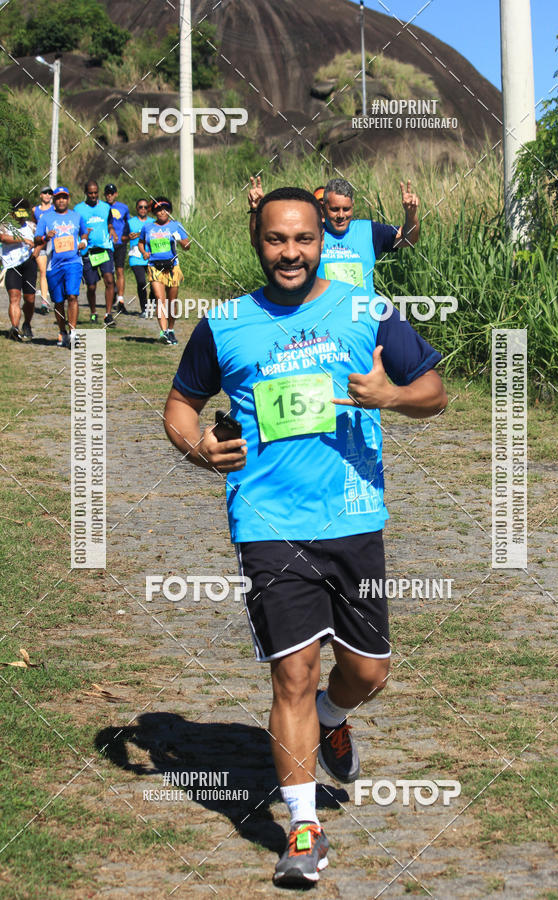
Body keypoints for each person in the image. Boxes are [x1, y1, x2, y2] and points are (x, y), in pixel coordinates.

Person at [163, 187, 446, 887]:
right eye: (275, 239)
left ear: (323, 240)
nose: (289, 252)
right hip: (266, 523)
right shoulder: (225, 323)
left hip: (353, 519)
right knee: (291, 673)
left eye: (302, 239)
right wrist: (198, 448)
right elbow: (179, 406)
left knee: (368, 673)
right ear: (256, 241)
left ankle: (332, 716)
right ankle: (303, 831)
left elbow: (435, 391)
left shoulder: (364, 311)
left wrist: (392, 396)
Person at [248, 176, 420, 295]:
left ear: (353, 206)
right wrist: (256, 210)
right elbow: (259, 243)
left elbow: (408, 239)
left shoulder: (370, 230)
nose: (340, 215)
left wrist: (410, 214)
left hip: (361, 316)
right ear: (323, 208)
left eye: (346, 209)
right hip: (324, 317)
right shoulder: (312, 233)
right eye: (334, 209)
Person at [34, 187, 88, 348]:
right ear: (54, 200)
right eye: (58, 198)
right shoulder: (46, 218)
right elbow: (37, 238)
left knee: (72, 296)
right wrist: (45, 236)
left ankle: (73, 333)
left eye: (64, 197)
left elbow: (84, 233)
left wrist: (83, 243)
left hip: (73, 262)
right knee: (58, 301)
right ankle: (62, 331)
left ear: (68, 199)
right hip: (54, 265)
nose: (61, 200)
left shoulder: (77, 216)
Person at [138, 197, 190, 345]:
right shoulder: (148, 227)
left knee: (171, 302)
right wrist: (144, 253)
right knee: (160, 300)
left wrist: (180, 240)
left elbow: (187, 246)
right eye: (159, 209)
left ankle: (171, 329)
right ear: (154, 211)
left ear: (170, 210)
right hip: (154, 267)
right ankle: (164, 331)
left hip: (173, 268)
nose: (162, 212)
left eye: (165, 208)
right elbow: (141, 243)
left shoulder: (176, 226)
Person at [73, 180, 117, 326]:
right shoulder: (78, 209)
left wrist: (111, 229)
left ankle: (108, 314)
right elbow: (74, 228)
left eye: (95, 193)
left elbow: (109, 222)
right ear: (85, 193)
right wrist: (83, 233)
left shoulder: (105, 207)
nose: (93, 195)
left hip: (104, 248)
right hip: (88, 251)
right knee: (91, 286)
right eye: (90, 193)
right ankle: (93, 312)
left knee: (109, 280)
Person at [1, 199, 38, 341]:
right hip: (12, 266)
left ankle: (27, 324)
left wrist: (37, 249)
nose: (21, 217)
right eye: (18, 214)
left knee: (30, 299)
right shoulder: (5, 225)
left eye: (23, 214)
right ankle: (15, 328)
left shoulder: (31, 226)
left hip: (29, 264)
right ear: (12, 213)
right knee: (14, 297)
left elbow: (40, 240)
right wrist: (23, 239)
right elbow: (3, 238)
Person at [103, 183, 130, 315]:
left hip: (120, 243)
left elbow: (128, 224)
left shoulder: (123, 208)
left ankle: (120, 300)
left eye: (112, 193)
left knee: (120, 270)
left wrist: (128, 237)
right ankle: (111, 290)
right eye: (107, 193)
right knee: (108, 272)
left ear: (116, 194)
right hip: (106, 243)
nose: (109, 195)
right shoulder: (102, 208)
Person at [126, 198, 155, 316]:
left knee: (154, 283)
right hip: (136, 256)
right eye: (140, 207)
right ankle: (144, 309)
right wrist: (128, 237)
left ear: (148, 209)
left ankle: (151, 306)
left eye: (145, 207)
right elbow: (122, 238)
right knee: (141, 282)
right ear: (136, 208)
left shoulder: (153, 222)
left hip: (151, 256)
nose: (143, 209)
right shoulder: (130, 222)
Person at [32, 186, 54, 312]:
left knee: (53, 272)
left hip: (53, 244)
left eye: (49, 193)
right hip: (41, 244)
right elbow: (34, 225)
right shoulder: (35, 210)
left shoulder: (54, 209)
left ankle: (57, 298)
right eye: (45, 192)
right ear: (40, 195)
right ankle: (45, 301)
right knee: (43, 272)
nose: (47, 195)